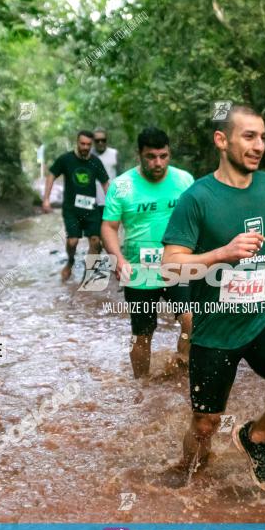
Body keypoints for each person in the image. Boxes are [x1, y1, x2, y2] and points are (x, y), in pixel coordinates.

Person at [161, 105, 265, 492]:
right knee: (205, 426)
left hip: (260, 318)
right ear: (222, 140)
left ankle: (255, 438)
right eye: (249, 136)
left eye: (263, 137)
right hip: (214, 329)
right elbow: (170, 266)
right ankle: (188, 472)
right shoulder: (196, 198)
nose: (259, 145)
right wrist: (221, 253)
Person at [101, 127, 194, 378]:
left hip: (177, 265)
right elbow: (109, 227)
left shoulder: (184, 180)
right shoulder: (122, 186)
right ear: (139, 155)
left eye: (163, 156)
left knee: (190, 319)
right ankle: (141, 385)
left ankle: (180, 367)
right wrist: (118, 259)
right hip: (139, 271)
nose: (158, 163)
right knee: (142, 334)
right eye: (151, 157)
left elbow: (197, 220)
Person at [42, 130, 109, 282]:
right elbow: (51, 175)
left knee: (95, 241)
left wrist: (113, 204)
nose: (85, 147)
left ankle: (89, 274)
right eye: (83, 144)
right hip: (71, 209)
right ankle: (70, 261)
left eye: (88, 145)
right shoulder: (66, 159)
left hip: (91, 209)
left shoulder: (95, 162)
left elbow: (105, 183)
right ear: (77, 143)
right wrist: (46, 199)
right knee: (73, 241)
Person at [91, 126, 119, 221]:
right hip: (92, 201)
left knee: (108, 232)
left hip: (110, 201)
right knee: (94, 234)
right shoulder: (87, 155)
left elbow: (121, 176)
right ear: (93, 141)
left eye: (103, 140)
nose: (100, 143)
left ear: (107, 140)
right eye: (97, 140)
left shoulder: (114, 153)